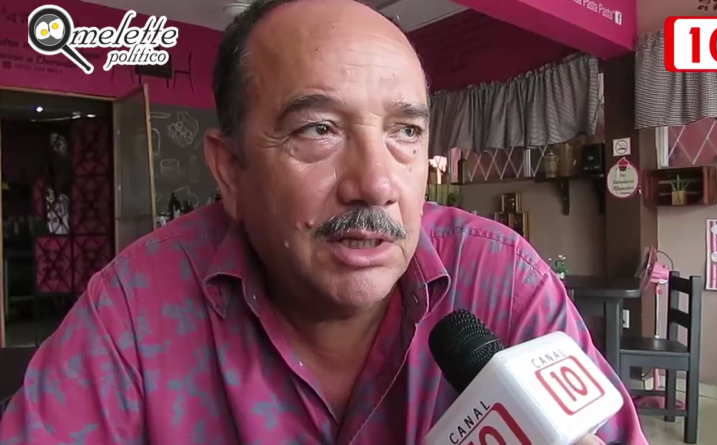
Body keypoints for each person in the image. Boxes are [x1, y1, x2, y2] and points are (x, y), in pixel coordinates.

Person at [0, 0, 648, 444]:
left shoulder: (503, 280)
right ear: (230, 170)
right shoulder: (135, 310)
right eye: (318, 129)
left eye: (405, 131)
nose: (376, 184)